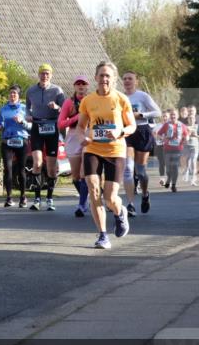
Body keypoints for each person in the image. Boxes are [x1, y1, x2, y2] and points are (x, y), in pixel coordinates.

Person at [77, 60, 136, 250]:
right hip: (93, 149)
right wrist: (82, 138)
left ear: (114, 79)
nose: (104, 79)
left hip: (115, 151)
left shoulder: (121, 99)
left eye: (108, 76)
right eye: (101, 75)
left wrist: (120, 131)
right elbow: (80, 127)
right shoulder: (88, 101)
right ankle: (102, 235)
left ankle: (120, 212)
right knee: (94, 190)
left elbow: (132, 125)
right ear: (96, 77)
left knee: (110, 198)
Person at [25, 64, 65, 211]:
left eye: (47, 73)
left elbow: (66, 109)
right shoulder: (31, 90)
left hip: (52, 127)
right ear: (39, 75)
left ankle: (49, 198)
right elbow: (27, 107)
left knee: (51, 168)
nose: (45, 76)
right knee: (37, 163)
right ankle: (37, 199)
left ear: (51, 75)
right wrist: (28, 115)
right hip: (37, 126)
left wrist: (57, 108)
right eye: (42, 73)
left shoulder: (57, 90)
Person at [121, 71, 161, 216]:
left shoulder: (143, 96)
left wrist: (141, 115)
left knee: (141, 172)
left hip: (142, 131)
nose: (127, 81)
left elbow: (158, 112)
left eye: (130, 78)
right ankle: (130, 204)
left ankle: (145, 194)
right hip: (127, 132)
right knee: (128, 168)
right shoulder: (120, 97)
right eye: (125, 79)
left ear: (136, 81)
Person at [58, 76, 90, 217]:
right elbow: (60, 124)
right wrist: (76, 118)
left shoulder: (92, 100)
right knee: (76, 176)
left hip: (89, 134)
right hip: (73, 136)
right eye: (78, 84)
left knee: (84, 173)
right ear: (74, 86)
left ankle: (81, 205)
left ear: (87, 86)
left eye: (83, 84)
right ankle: (86, 198)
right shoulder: (68, 102)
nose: (81, 86)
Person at [0, 85, 30, 207]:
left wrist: (22, 122)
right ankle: (9, 197)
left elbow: (30, 126)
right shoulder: (3, 109)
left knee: (21, 169)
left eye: (15, 93)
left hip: (21, 140)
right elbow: (0, 123)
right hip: (7, 141)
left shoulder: (25, 108)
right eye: (11, 93)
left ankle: (23, 197)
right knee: (7, 169)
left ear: (19, 95)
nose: (12, 95)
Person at [155, 109, 188, 192]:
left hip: (178, 149)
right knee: (168, 168)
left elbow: (186, 135)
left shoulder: (182, 125)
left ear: (178, 116)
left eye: (174, 115)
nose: (173, 116)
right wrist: (163, 138)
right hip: (167, 149)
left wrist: (186, 139)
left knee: (175, 166)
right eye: (171, 115)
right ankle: (169, 178)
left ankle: (173, 185)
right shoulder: (166, 125)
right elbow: (158, 134)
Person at [180, 107, 199, 185]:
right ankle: (186, 172)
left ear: (195, 119)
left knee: (193, 161)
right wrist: (187, 134)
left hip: (195, 147)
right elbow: (181, 136)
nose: (191, 120)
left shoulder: (198, 126)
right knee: (188, 162)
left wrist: (196, 135)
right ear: (188, 120)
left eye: (192, 118)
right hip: (186, 146)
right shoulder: (185, 127)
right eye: (190, 119)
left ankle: (193, 179)